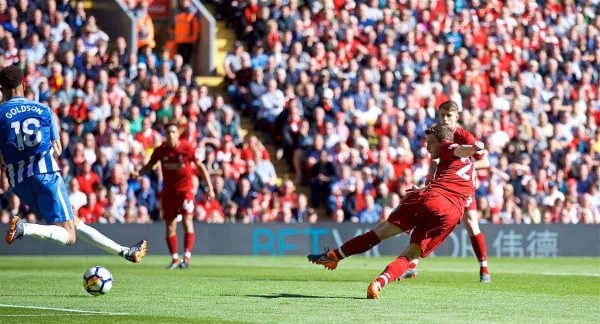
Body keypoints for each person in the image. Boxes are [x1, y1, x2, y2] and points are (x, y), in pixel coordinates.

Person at [308, 124, 484, 299]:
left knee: (379, 233)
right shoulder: (468, 170)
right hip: (450, 215)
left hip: (431, 199)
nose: (427, 146)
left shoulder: (448, 147)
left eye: (430, 142)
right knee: (411, 254)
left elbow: (459, 149)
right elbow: (453, 186)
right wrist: (424, 188)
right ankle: (378, 284)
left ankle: (334, 256)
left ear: (442, 141)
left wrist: (472, 148)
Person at [0, 65, 147, 262]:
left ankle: (125, 252)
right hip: (46, 176)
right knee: (69, 235)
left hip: (19, 183)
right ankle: (24, 227)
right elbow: (58, 147)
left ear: (2, 89)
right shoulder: (43, 110)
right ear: (24, 84)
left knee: (74, 222)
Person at [403, 100, 491, 283]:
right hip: (441, 186)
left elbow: (486, 162)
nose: (445, 119)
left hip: (461, 188)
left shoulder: (465, 137)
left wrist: (463, 167)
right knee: (424, 219)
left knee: (472, 224)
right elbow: (434, 160)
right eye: (442, 115)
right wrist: (429, 179)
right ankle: (412, 265)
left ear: (457, 117)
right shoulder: (437, 134)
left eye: (449, 115)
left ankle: (484, 269)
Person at [135, 123, 214, 269]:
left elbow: (201, 167)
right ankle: (175, 259)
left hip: (186, 191)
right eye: (168, 132)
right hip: (169, 192)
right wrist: (138, 173)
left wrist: (210, 187)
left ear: (178, 134)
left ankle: (187, 257)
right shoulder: (161, 151)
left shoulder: (187, 148)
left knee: (186, 220)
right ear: (165, 135)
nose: (171, 134)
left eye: (173, 132)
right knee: (170, 225)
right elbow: (149, 166)